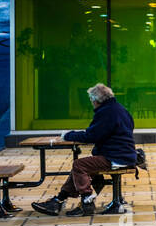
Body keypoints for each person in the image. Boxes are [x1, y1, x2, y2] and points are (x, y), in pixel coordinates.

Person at [32, 83, 136, 217]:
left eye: (91, 100)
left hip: (117, 157)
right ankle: (58, 201)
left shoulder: (106, 112)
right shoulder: (119, 109)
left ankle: (87, 201)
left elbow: (91, 136)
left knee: (79, 165)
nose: (91, 103)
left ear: (96, 100)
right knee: (82, 168)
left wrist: (68, 135)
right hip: (124, 154)